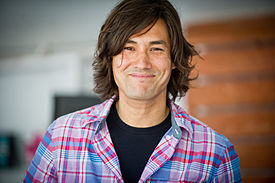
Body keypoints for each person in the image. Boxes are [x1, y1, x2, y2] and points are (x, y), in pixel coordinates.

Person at [24, 0, 242, 182]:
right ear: (111, 57)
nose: (142, 62)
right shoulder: (60, 138)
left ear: (174, 59)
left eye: (156, 49)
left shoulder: (216, 154)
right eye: (129, 48)